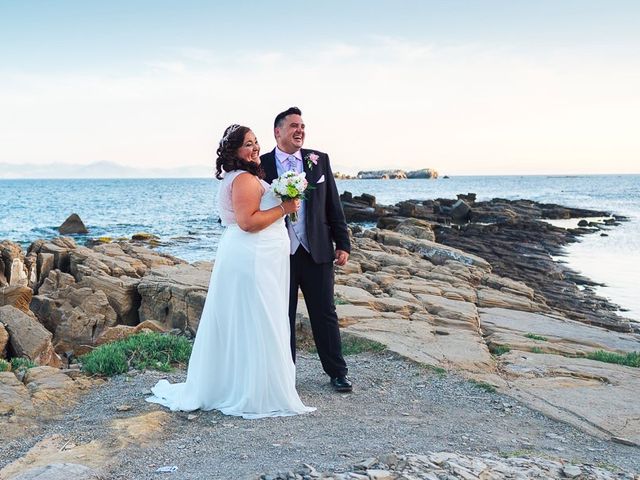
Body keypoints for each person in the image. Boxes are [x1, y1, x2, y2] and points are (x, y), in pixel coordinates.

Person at [146, 124, 315, 418]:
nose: (255, 148)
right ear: (234, 150)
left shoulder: (242, 177)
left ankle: (246, 383)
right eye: (248, 144)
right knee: (258, 318)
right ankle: (253, 390)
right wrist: (285, 208)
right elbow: (248, 222)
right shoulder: (244, 180)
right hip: (252, 258)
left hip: (256, 257)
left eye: (256, 142)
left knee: (252, 318)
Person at [261, 107, 353, 393]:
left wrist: (343, 244)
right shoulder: (261, 164)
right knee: (282, 314)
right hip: (279, 253)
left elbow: (332, 204)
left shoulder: (318, 160)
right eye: (293, 126)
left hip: (317, 249)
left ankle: (337, 372)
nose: (300, 130)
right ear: (278, 132)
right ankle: (285, 375)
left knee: (325, 312)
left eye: (302, 126)